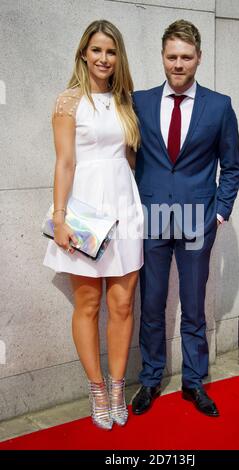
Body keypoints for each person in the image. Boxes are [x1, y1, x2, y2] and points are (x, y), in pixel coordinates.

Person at [132, 20, 239, 417]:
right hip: (153, 216)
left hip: (198, 218)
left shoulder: (219, 105)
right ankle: (150, 378)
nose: (178, 65)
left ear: (199, 58)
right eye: (172, 57)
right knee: (153, 304)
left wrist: (221, 213)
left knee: (194, 307)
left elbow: (231, 167)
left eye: (186, 57)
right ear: (162, 57)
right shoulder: (139, 102)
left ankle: (195, 382)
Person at [43, 20, 143, 430]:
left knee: (122, 304)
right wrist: (60, 217)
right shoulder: (69, 101)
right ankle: (97, 389)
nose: (104, 58)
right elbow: (65, 162)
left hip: (125, 207)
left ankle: (118, 387)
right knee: (88, 304)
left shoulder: (124, 101)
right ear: (84, 52)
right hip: (84, 213)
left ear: (119, 57)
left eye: (111, 51)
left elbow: (131, 159)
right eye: (97, 50)